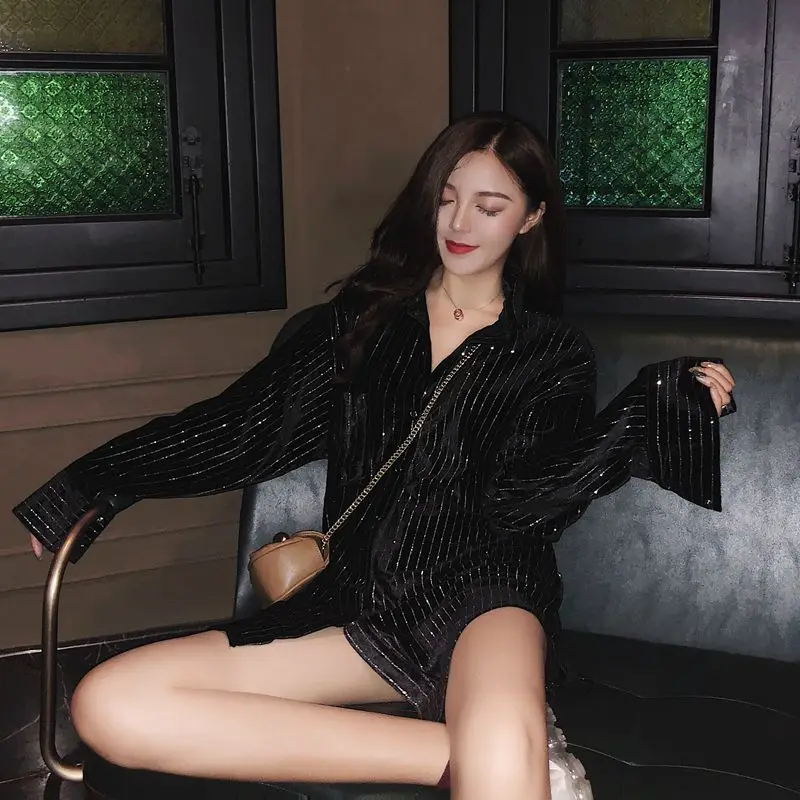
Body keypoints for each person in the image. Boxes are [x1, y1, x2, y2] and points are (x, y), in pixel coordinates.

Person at [15, 112, 736, 800]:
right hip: (362, 598)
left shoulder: (550, 351)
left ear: (531, 217)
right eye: (447, 199)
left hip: (488, 594)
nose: (459, 223)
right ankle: (484, 759)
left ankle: (497, 747)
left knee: (497, 725)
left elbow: (520, 503)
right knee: (109, 704)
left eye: (489, 206)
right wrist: (95, 479)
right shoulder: (364, 323)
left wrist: (647, 410)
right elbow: (243, 427)